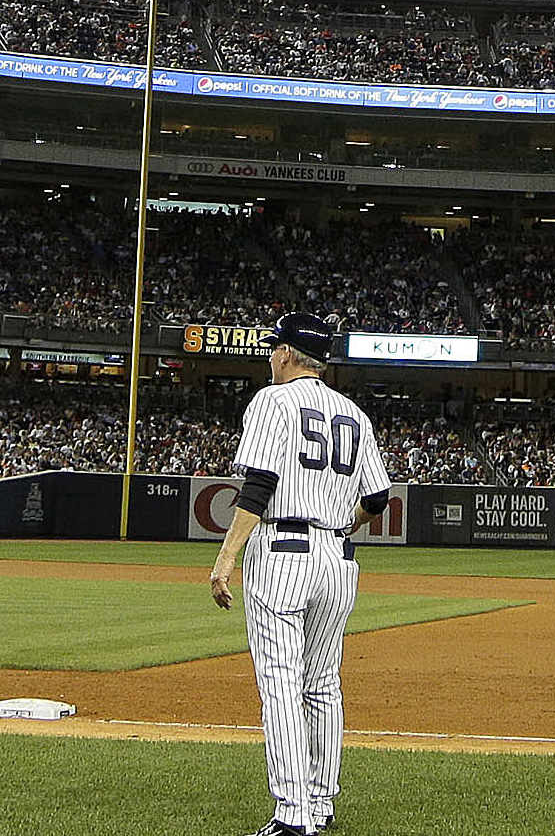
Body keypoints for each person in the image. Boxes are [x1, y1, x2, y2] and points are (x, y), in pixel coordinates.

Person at [208, 311, 390, 836]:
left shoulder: (272, 400)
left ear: (287, 354)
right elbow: (376, 500)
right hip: (338, 558)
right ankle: (321, 801)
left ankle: (292, 817)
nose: (270, 356)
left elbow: (259, 485)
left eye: (273, 349)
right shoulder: (354, 412)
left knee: (281, 688)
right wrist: (338, 526)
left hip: (283, 554)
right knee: (322, 686)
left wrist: (226, 558)